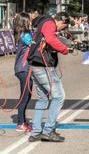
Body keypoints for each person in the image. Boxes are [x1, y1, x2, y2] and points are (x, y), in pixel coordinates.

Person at [27, 13, 70, 142]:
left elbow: (47, 41)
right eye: (63, 27)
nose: (61, 30)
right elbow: (51, 39)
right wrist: (64, 49)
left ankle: (35, 132)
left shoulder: (41, 22)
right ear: (61, 22)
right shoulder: (50, 23)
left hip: (35, 65)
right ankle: (48, 130)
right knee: (59, 96)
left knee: (43, 99)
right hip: (43, 66)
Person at [13, 13, 33, 132]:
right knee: (25, 97)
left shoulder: (24, 33)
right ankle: (20, 123)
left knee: (27, 95)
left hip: (23, 69)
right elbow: (34, 45)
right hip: (23, 69)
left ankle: (23, 120)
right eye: (29, 21)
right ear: (24, 22)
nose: (30, 22)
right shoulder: (24, 35)